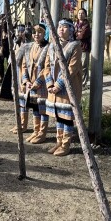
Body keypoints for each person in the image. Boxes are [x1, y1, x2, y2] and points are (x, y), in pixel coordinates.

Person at [44, 19, 82, 157]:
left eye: (65, 27)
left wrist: (58, 85)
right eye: (59, 27)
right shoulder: (52, 46)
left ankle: (66, 144)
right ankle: (59, 142)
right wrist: (49, 84)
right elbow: (46, 66)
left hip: (68, 88)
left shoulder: (75, 46)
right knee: (58, 116)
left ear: (71, 30)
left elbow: (72, 69)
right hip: (53, 88)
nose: (61, 29)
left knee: (66, 117)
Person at [20, 24, 49, 144]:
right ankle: (36, 131)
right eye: (34, 32)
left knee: (43, 108)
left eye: (40, 32)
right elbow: (24, 64)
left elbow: (47, 67)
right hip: (31, 83)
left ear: (44, 34)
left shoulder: (48, 47)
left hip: (42, 84)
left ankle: (42, 133)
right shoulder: (30, 46)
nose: (37, 34)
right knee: (35, 107)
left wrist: (38, 81)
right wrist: (26, 80)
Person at [75, 8, 91, 87]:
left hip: (84, 48)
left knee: (84, 66)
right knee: (77, 65)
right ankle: (78, 81)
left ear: (85, 15)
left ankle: (84, 83)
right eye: (79, 13)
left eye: (82, 13)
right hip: (76, 47)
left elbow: (82, 36)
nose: (80, 15)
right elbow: (73, 34)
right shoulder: (76, 24)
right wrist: (78, 33)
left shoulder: (86, 25)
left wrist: (77, 34)